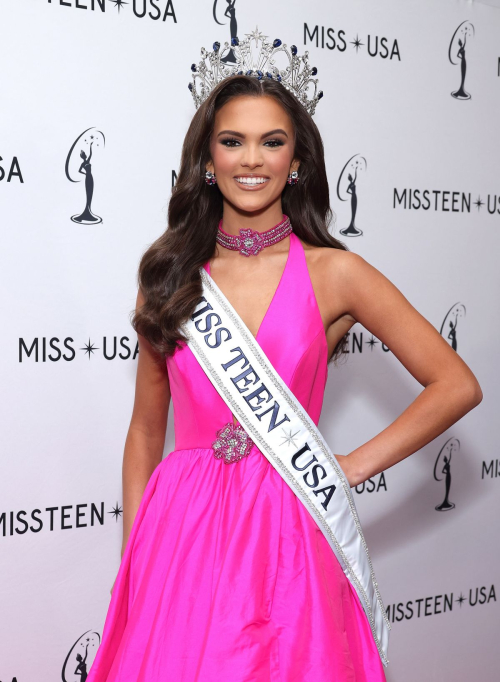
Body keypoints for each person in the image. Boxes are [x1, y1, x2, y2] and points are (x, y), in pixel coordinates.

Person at [86, 40, 482, 682]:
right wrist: (136, 557)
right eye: (232, 141)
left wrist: (346, 467)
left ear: (297, 160)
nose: (251, 159)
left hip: (289, 523)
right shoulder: (169, 275)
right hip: (181, 535)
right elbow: (144, 430)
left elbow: (456, 383)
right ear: (207, 158)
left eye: (272, 142)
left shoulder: (337, 274)